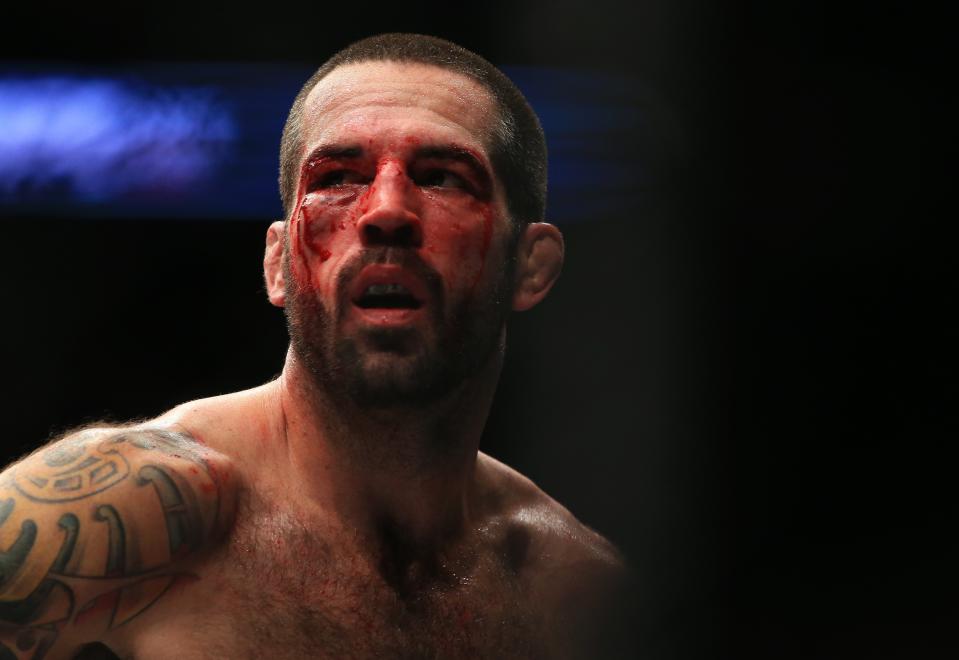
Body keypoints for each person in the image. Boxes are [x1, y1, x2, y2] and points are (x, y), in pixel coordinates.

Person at [0, 34, 631, 659]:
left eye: (441, 177)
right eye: (338, 177)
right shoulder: (131, 513)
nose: (387, 211)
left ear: (530, 266)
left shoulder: (574, 588)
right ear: (276, 264)